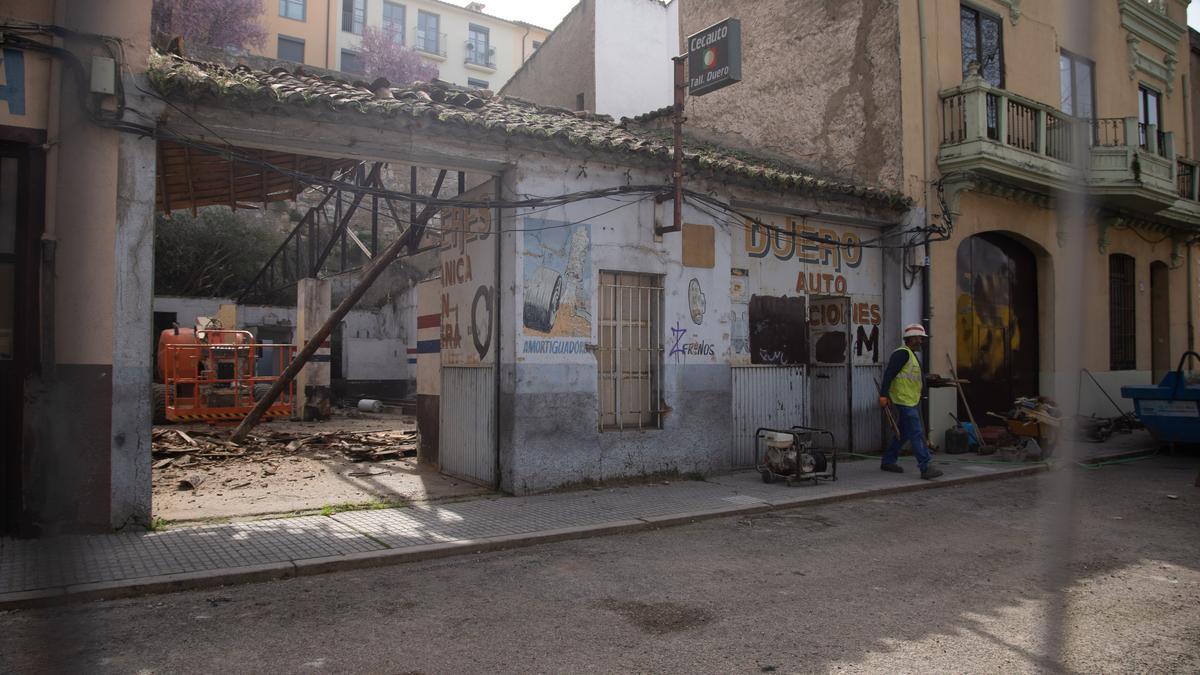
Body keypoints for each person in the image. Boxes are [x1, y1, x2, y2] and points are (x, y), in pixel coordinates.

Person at [877, 323, 943, 479]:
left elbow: (910, 377)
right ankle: (925, 466)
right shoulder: (902, 354)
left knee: (905, 433)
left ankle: (888, 461)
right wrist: (883, 395)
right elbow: (889, 374)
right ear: (911, 338)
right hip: (904, 400)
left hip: (910, 400)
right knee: (916, 433)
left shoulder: (911, 355)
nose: (921, 340)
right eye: (919, 337)